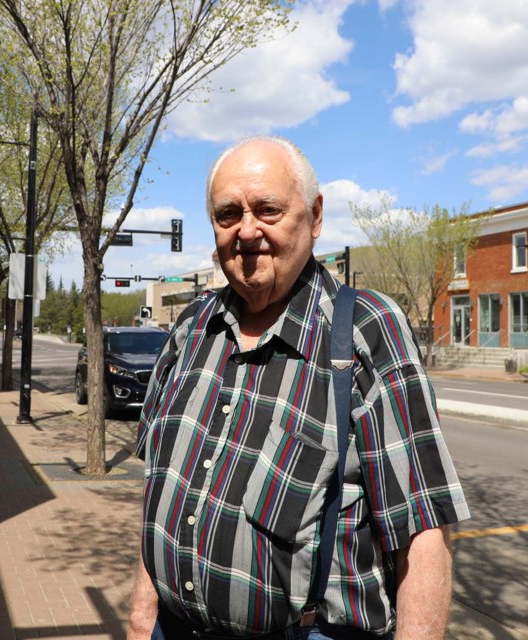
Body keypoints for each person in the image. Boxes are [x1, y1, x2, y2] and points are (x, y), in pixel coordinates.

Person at [127, 136, 470, 640]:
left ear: (314, 216)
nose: (247, 231)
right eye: (228, 215)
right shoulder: (190, 328)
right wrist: (140, 618)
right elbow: (161, 491)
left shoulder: (365, 331)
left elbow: (420, 532)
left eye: (267, 209)